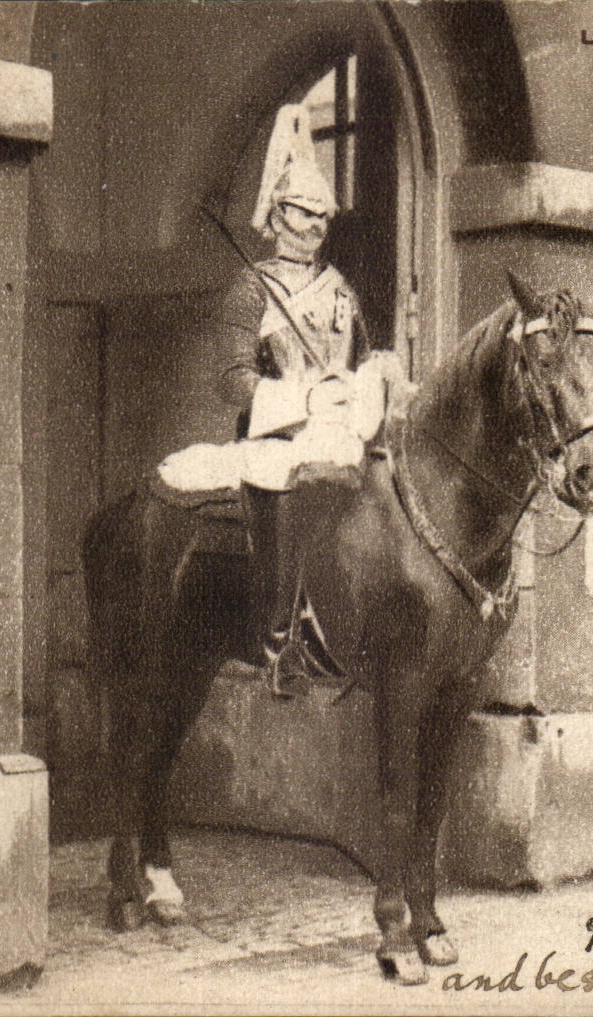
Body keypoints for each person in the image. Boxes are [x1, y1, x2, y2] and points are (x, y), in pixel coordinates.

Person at [190, 103, 384, 694]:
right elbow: (230, 379)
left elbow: (362, 359)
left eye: (322, 214)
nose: (316, 225)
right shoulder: (251, 288)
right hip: (275, 438)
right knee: (287, 491)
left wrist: (367, 386)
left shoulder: (341, 289)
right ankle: (282, 644)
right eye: (303, 212)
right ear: (276, 217)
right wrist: (300, 399)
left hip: (340, 433)